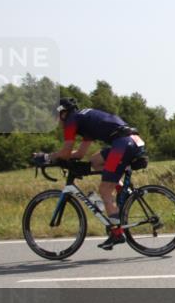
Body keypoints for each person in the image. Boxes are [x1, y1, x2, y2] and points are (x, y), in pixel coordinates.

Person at [33, 98, 145, 250]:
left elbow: (66, 152)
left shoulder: (71, 121)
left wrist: (46, 157)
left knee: (104, 190)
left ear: (63, 113)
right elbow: (79, 153)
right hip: (129, 140)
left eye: (55, 116)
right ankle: (120, 192)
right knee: (95, 161)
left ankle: (117, 233)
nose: (56, 121)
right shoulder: (83, 120)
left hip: (123, 143)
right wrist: (59, 158)